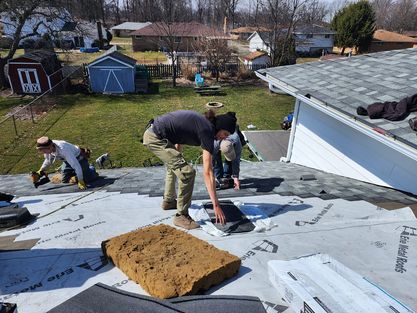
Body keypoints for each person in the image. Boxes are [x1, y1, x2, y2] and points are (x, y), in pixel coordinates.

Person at [142, 110, 237, 230]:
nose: (224, 137)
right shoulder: (207, 130)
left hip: (158, 134)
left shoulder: (203, 123)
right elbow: (208, 172)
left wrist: (178, 156)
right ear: (220, 127)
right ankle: (181, 215)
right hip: (156, 138)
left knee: (176, 166)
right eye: (225, 133)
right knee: (187, 173)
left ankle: (169, 201)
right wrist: (216, 205)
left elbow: (178, 135)